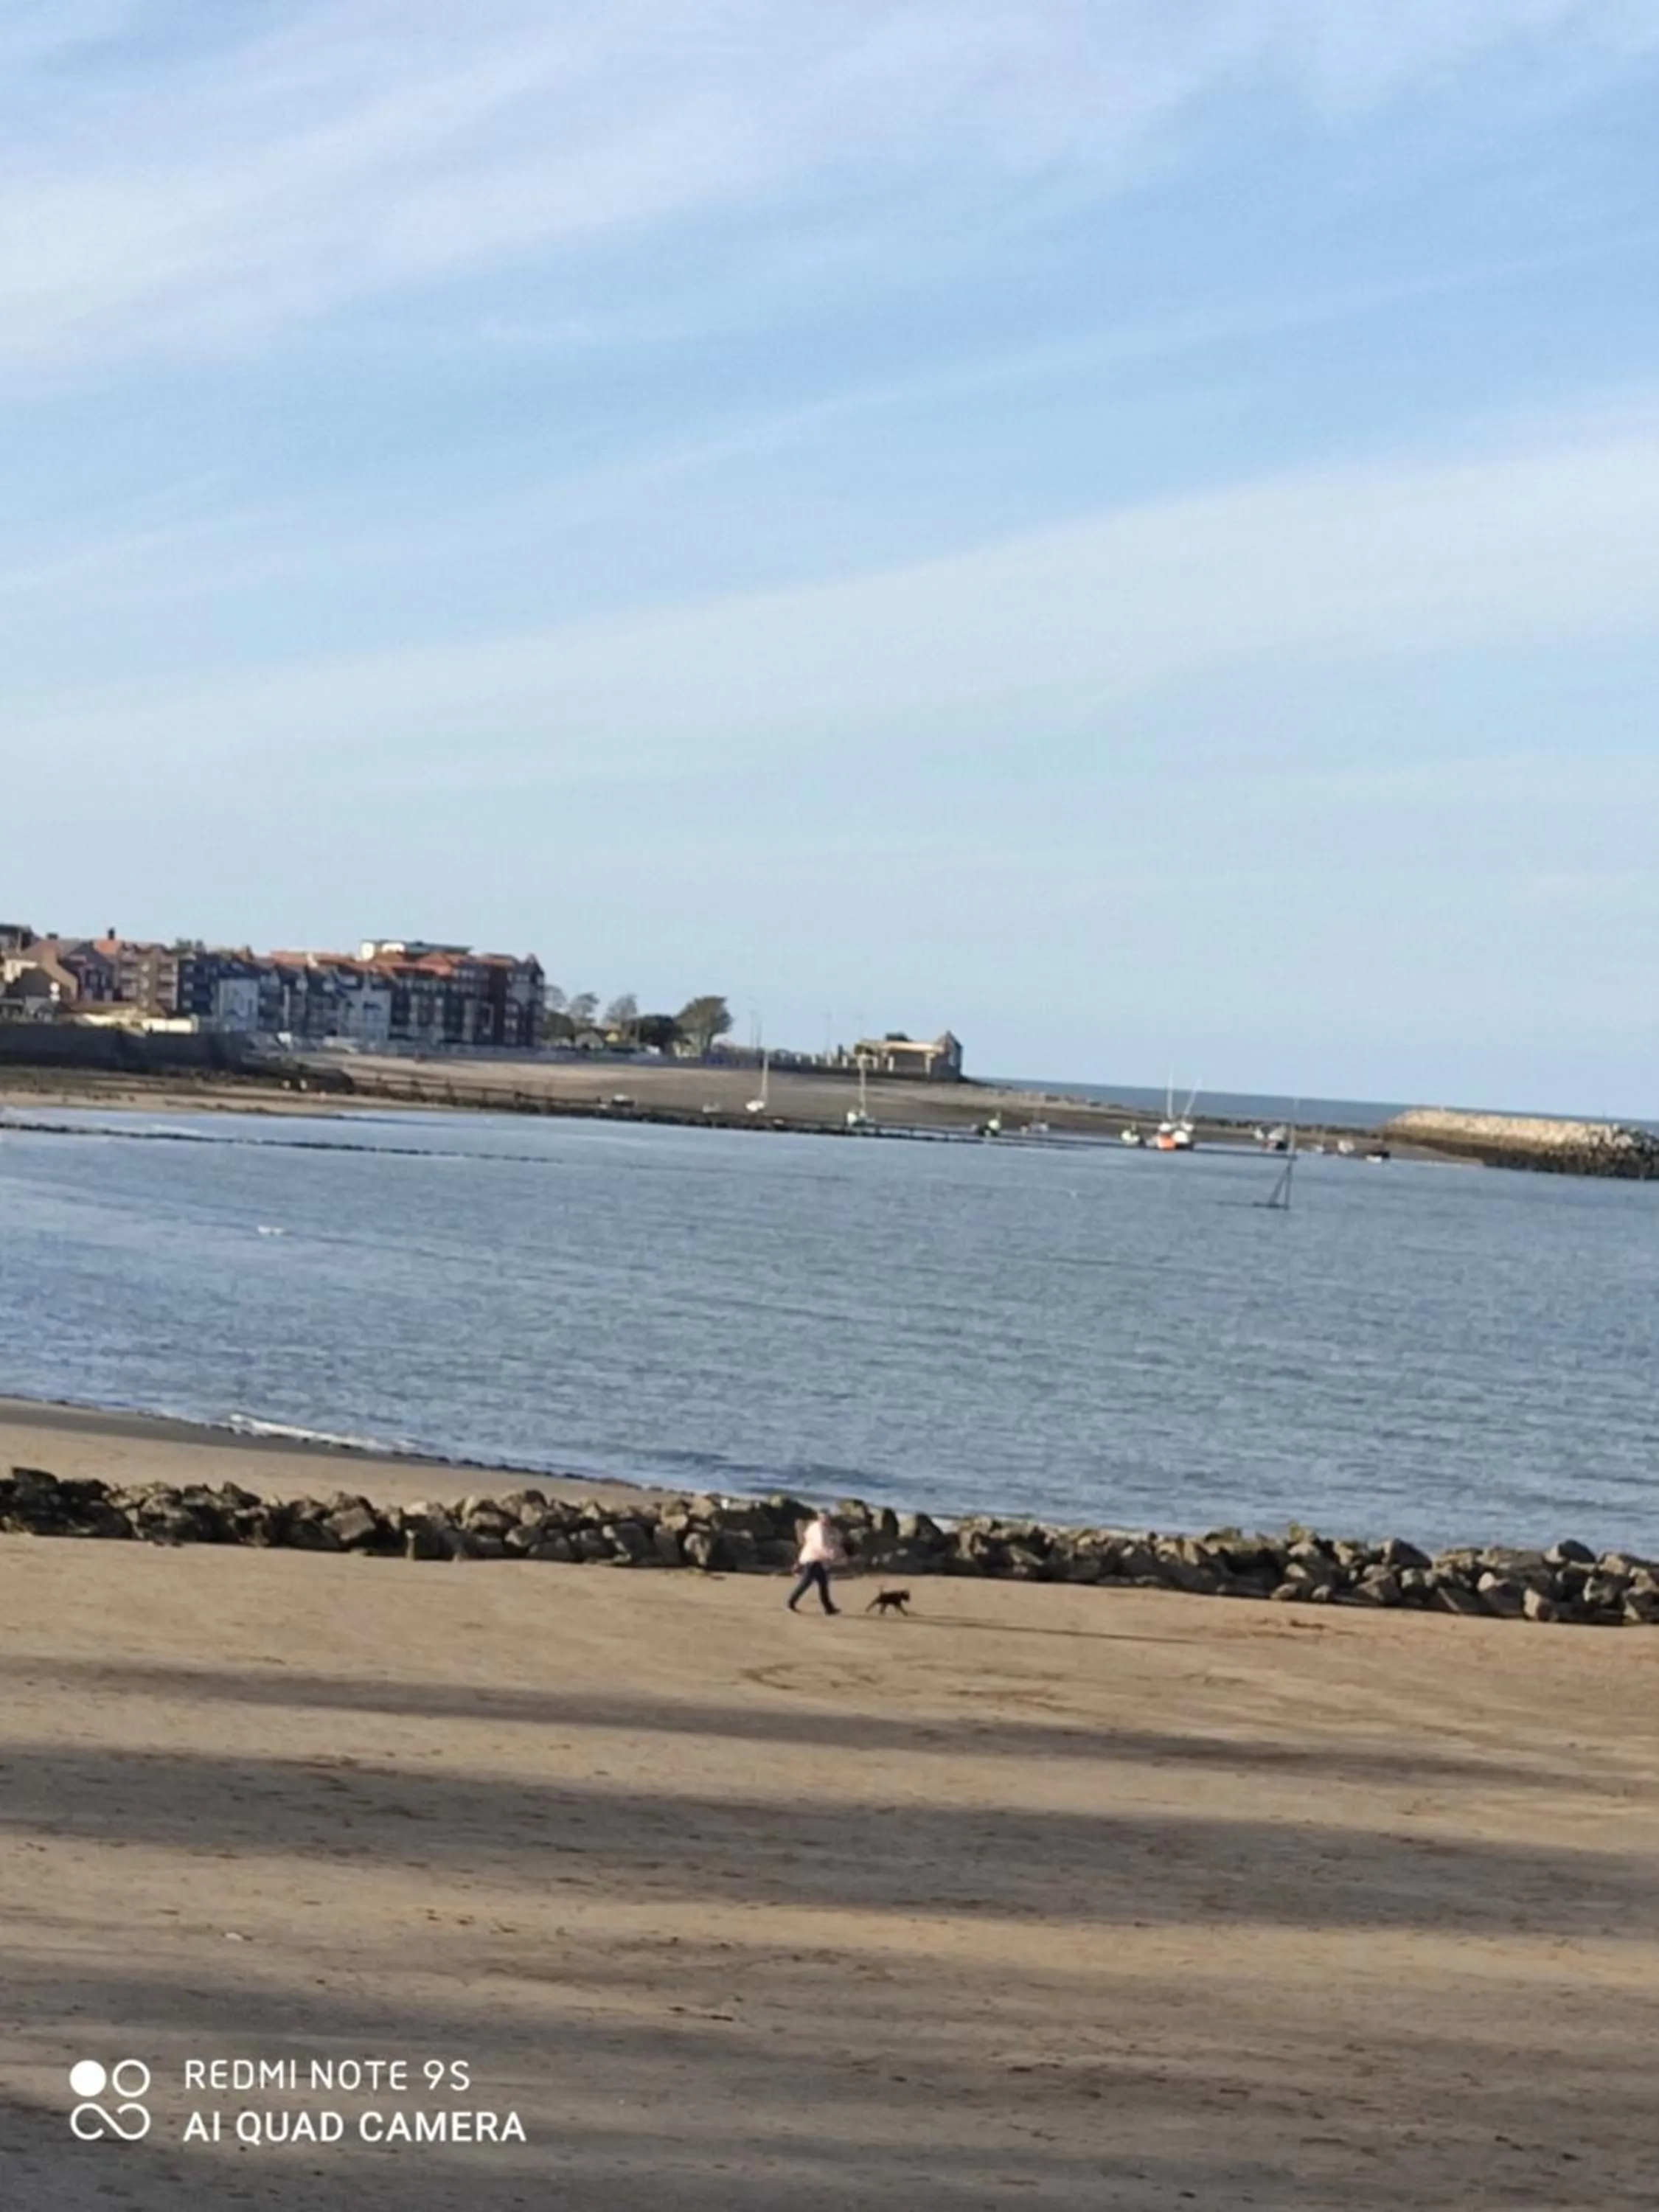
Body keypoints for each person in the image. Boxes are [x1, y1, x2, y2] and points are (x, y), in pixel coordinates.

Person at [786, 1509, 845, 1615]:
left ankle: (829, 1608)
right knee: (806, 1583)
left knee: (823, 1584)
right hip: (813, 1560)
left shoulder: (821, 1528)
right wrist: (831, 1555)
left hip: (818, 1560)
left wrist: (833, 1552)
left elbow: (826, 1543)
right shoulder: (819, 1529)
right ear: (820, 1518)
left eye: (829, 1518)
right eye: (825, 1518)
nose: (828, 1520)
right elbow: (820, 1546)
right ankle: (790, 1603)